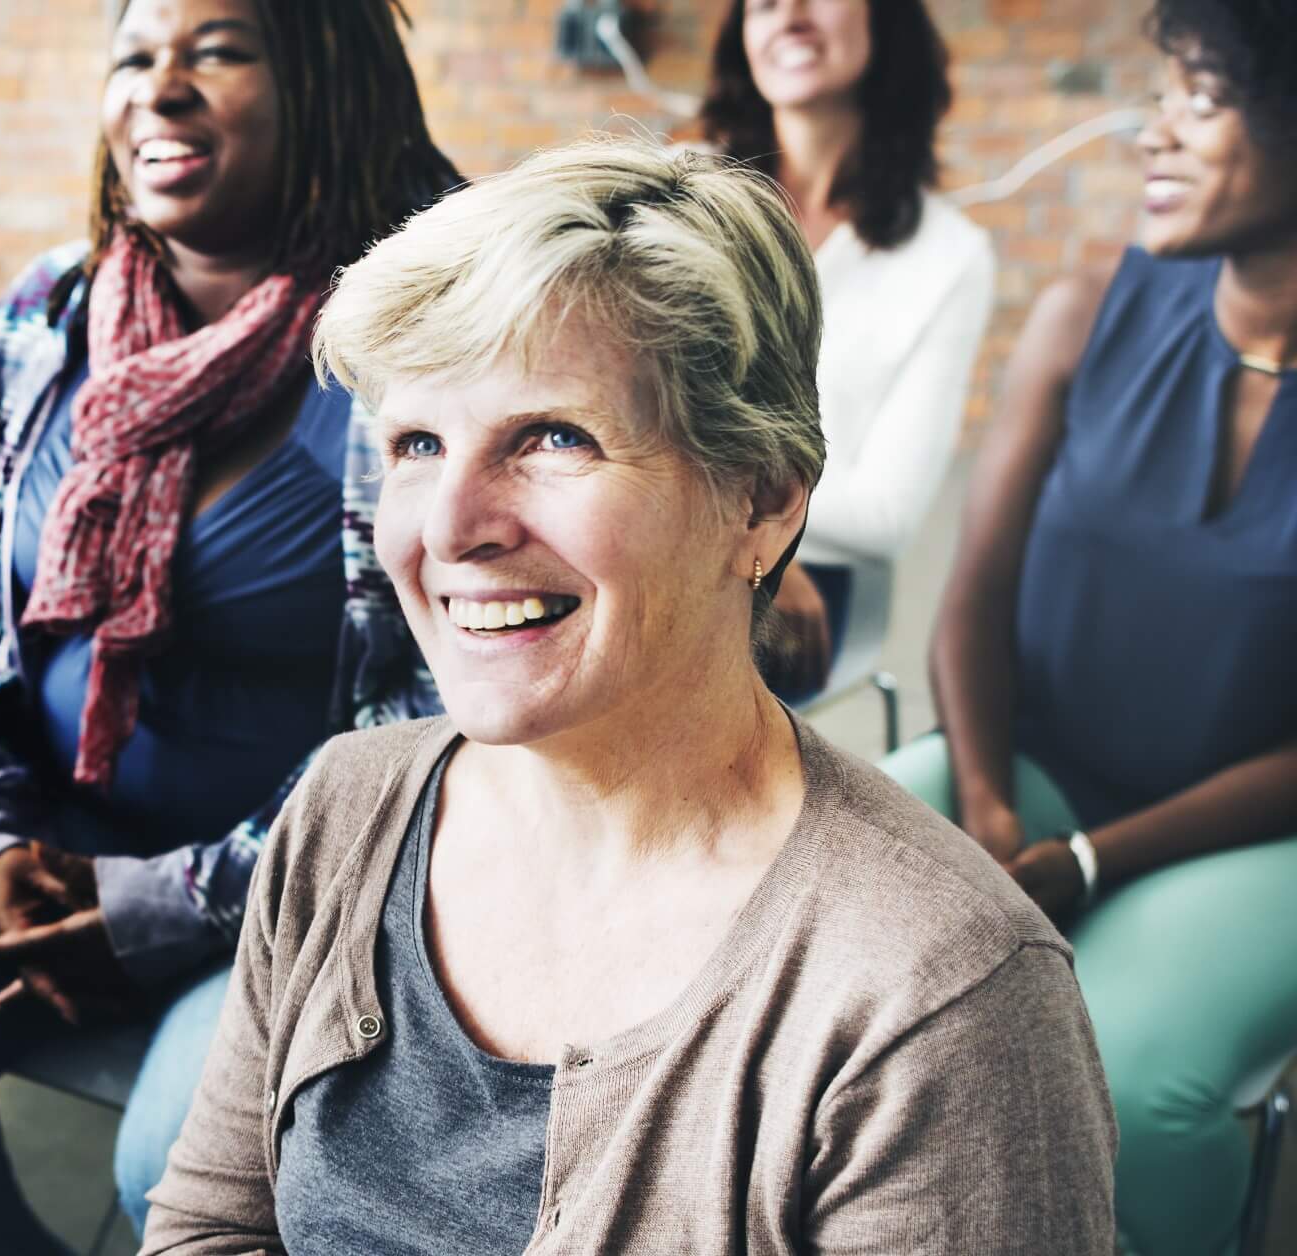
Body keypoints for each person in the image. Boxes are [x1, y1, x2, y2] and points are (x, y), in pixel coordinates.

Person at [141, 136, 1116, 1255]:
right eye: (417, 441)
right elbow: (209, 1225)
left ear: (761, 498)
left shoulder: (935, 999)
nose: (452, 528)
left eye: (553, 436)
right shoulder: (346, 806)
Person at [0, 0, 456, 1247]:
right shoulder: (51, 315)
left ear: (322, 75)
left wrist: (172, 902)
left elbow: (437, 716)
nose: (161, 87)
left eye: (215, 50)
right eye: (136, 57)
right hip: (44, 812)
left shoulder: (424, 353)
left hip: (306, 875)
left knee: (178, 1173)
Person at [887, 0, 1297, 1248]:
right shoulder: (1084, 310)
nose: (1152, 134)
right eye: (1159, 91)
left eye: (1204, 97)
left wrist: (1096, 859)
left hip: (1256, 836)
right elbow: (975, 595)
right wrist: (989, 797)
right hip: (1030, 770)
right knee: (804, 905)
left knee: (1119, 1079)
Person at [700, 0, 994, 696]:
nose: (791, 17)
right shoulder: (684, 196)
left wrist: (755, 539)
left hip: (811, 583)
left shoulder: (949, 255)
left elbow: (887, 514)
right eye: (764, 4)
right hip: (650, 529)